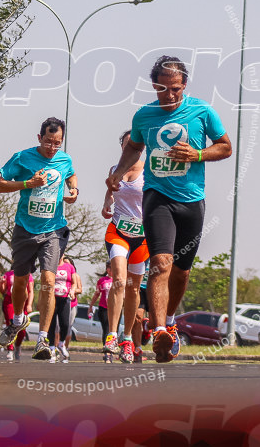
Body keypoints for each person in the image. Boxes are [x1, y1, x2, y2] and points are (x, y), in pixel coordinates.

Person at [106, 56, 232, 363]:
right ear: (154, 85)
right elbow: (135, 146)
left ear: (184, 85)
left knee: (181, 272)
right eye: (163, 88)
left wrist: (197, 153)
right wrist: (119, 172)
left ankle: (170, 321)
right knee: (161, 263)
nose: (170, 94)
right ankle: (159, 329)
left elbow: (225, 146)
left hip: (191, 201)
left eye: (175, 88)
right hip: (157, 197)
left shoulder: (202, 111)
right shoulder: (145, 115)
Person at [0, 117, 79, 360]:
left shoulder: (65, 159)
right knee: (20, 282)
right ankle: (18, 320)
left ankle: (43, 340)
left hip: (53, 229)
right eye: (49, 142)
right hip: (25, 228)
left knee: (48, 280)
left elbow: (71, 175)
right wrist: (27, 183)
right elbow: (0, 186)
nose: (53, 148)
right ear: (39, 137)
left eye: (58, 143)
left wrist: (73, 190)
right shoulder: (22, 157)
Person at [101, 131, 149, 363]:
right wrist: (106, 204)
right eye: (126, 144)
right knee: (119, 279)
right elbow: (110, 191)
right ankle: (111, 335)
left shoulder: (149, 173)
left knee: (133, 289)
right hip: (118, 231)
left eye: (134, 145)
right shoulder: (114, 170)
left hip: (142, 238)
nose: (130, 148)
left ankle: (127, 339)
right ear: (122, 147)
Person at [47, 253, 76, 363]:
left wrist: (72, 291)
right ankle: (51, 348)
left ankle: (61, 343)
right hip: (52, 299)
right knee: (52, 325)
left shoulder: (70, 267)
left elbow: (74, 283)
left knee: (65, 324)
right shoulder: (51, 266)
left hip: (65, 299)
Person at [1, 267, 34, 361]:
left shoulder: (28, 274)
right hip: (10, 302)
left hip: (23, 302)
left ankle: (18, 346)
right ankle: (10, 349)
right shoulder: (8, 274)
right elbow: (3, 291)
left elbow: (31, 291)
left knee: (22, 329)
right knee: (10, 326)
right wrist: (2, 283)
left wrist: (29, 304)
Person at [88, 263, 114, 362]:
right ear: (108, 269)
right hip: (104, 308)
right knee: (106, 329)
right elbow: (96, 294)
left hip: (115, 309)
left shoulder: (119, 279)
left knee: (113, 330)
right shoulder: (102, 281)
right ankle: (107, 353)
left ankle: (112, 349)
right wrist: (91, 306)